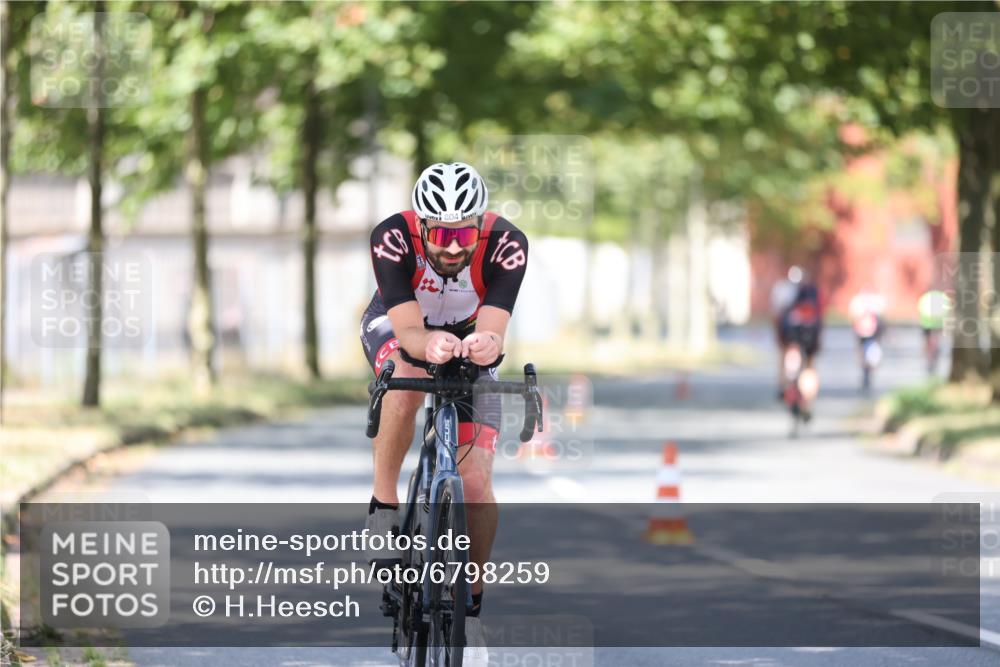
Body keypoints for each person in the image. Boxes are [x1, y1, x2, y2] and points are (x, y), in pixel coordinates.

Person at [360, 162, 528, 664]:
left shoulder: (507, 244)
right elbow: (410, 333)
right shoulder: (391, 237)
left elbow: (496, 334)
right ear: (421, 225)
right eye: (441, 235)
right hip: (401, 328)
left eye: (463, 234)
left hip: (470, 332)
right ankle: (384, 505)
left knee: (475, 481)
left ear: (479, 226)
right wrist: (427, 343)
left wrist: (485, 346)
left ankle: (470, 605)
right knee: (406, 387)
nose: (453, 248)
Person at [777, 268, 823, 421]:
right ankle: (806, 403)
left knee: (792, 363)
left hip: (794, 339)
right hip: (808, 338)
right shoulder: (812, 293)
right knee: (809, 367)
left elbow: (780, 318)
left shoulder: (787, 293)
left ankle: (787, 389)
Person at [770, 267, 801, 398]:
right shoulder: (797, 290)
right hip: (791, 329)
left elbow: (775, 309)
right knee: (789, 354)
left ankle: (785, 384)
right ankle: (786, 384)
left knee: (785, 355)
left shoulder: (782, 288)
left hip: (787, 328)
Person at [848, 286, 886, 391]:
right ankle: (866, 368)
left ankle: (866, 368)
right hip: (866, 331)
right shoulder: (872, 301)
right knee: (867, 351)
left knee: (864, 351)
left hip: (866, 331)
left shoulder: (859, 301)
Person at [918, 288, 951, 376]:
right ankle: (932, 353)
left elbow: (920, 309)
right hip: (937, 323)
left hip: (926, 323)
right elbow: (947, 310)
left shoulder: (925, 297)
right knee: (935, 340)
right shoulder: (942, 297)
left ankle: (926, 353)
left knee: (927, 341)